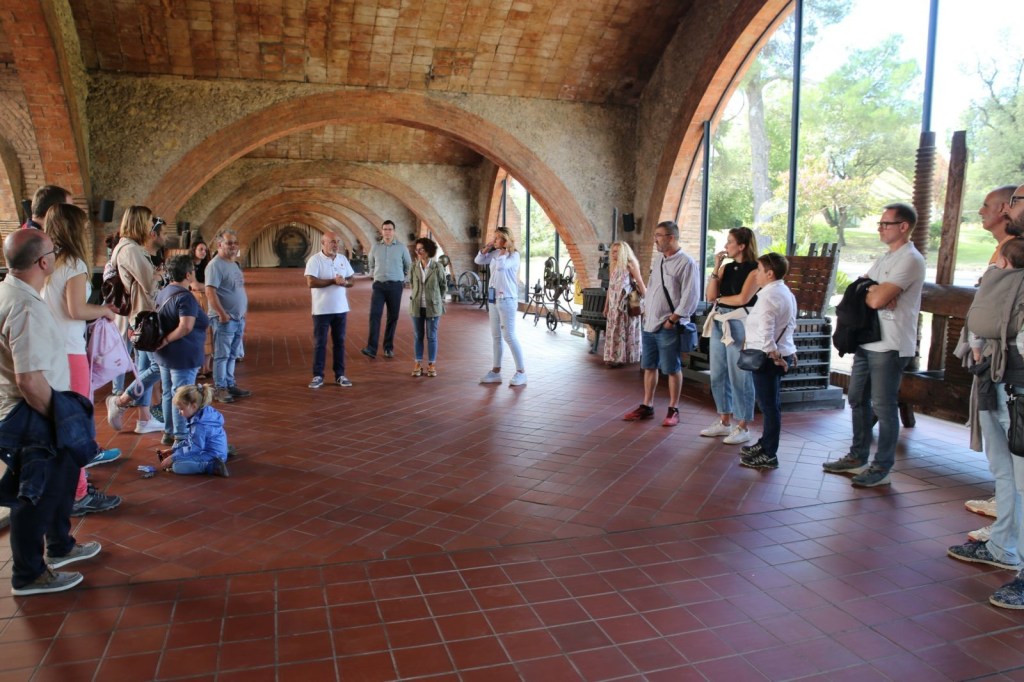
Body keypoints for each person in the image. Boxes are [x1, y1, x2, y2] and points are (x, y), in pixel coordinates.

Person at [0, 229, 102, 595]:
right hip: (31, 410)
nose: (56, 255)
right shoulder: (25, 307)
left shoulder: (13, 292)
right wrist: (59, 419)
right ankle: (28, 574)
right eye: (53, 251)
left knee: (62, 477)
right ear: (44, 262)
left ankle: (60, 545)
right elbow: (29, 379)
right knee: (36, 494)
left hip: (36, 404)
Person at [953, 187, 1024, 609]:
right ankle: (1003, 546)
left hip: (1017, 379)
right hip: (996, 376)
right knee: (1005, 472)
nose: (1009, 208)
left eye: (1017, 201)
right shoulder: (1007, 255)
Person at [822, 202, 925, 487]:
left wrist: (873, 292)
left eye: (885, 224)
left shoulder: (910, 259)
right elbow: (858, 289)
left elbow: (876, 299)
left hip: (891, 343)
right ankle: (857, 457)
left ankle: (882, 467)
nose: (880, 228)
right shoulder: (886, 257)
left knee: (884, 405)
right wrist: (871, 290)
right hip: (867, 339)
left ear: (903, 226)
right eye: (880, 223)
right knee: (856, 398)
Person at [41, 204, 123, 517]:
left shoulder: (46, 262)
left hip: (47, 351)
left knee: (55, 423)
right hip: (69, 352)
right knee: (76, 424)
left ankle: (60, 487)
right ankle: (77, 494)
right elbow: (76, 310)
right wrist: (104, 311)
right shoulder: (73, 263)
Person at [962, 185, 1019, 533]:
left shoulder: (1015, 252)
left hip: (1011, 367)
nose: (982, 211)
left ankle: (1008, 538)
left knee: (1015, 458)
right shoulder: (1004, 250)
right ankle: (1004, 534)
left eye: (1016, 202)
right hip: (991, 363)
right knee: (1001, 458)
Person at [622, 220, 699, 427]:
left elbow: (690, 296)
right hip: (650, 323)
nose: (655, 239)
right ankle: (647, 405)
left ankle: (674, 409)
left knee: (672, 368)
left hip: (668, 325)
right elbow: (654, 288)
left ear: (671, 238)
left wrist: (672, 320)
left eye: (658, 235)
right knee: (649, 366)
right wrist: (646, 310)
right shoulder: (659, 260)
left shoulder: (687, 263)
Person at [105, 206, 166, 434]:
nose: (151, 226)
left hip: (141, 313)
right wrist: (161, 276)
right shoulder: (130, 249)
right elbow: (149, 283)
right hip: (144, 314)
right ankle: (120, 401)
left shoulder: (129, 247)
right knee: (159, 366)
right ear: (140, 222)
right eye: (149, 221)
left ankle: (144, 419)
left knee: (145, 367)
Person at [701, 227, 760, 445]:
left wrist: (720, 300)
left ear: (742, 246)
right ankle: (724, 420)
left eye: (730, 242)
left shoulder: (755, 270)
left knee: (740, 374)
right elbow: (710, 295)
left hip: (739, 322)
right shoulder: (726, 268)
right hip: (719, 321)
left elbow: (743, 298)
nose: (726, 246)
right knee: (717, 372)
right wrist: (716, 266)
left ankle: (743, 425)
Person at [737, 253, 797, 470]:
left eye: (759, 270)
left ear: (770, 273)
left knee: (769, 407)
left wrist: (775, 355)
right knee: (771, 404)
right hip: (778, 355)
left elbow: (767, 331)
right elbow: (790, 324)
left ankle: (769, 454)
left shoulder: (769, 296)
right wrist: (789, 350)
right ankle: (765, 444)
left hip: (768, 359)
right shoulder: (784, 291)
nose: (756, 274)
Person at [153, 255, 209, 446]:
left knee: (169, 393)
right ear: (188, 274)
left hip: (166, 355)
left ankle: (169, 432)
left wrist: (164, 342)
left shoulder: (164, 291)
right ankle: (181, 437)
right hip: (182, 355)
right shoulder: (185, 296)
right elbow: (185, 326)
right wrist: (167, 340)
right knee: (182, 396)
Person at [475, 227, 528, 387]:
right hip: (493, 299)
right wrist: (487, 248)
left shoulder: (514, 255)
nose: (494, 240)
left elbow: (501, 267)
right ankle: (496, 372)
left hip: (507, 299)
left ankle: (521, 372)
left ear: (505, 240)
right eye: (494, 237)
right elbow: (478, 260)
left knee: (509, 336)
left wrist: (504, 253)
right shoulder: (495, 253)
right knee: (496, 336)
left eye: (497, 238)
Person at [205, 229, 251, 403]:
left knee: (232, 355)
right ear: (219, 245)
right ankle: (220, 388)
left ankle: (230, 384)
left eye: (235, 243)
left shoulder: (233, 264)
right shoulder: (215, 265)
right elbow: (210, 291)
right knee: (222, 355)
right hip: (224, 319)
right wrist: (222, 314)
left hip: (238, 318)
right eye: (229, 243)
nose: (233, 246)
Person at [304, 231, 355, 388]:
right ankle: (318, 376)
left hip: (341, 309)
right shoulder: (315, 260)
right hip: (321, 310)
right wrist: (333, 281)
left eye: (337, 242)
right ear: (323, 243)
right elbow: (311, 282)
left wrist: (345, 282)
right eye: (332, 241)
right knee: (320, 343)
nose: (335, 245)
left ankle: (340, 375)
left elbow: (351, 280)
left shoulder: (342, 259)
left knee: (339, 343)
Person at [361, 220, 411, 359]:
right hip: (379, 286)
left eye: (390, 229)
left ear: (394, 231)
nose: (387, 232)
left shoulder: (401, 248)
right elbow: (371, 263)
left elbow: (408, 265)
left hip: (395, 286)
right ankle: (371, 348)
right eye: (385, 229)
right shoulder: (375, 247)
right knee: (374, 315)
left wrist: (402, 279)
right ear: (382, 231)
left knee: (392, 317)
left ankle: (388, 348)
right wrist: (374, 274)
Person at [158, 384, 229, 477]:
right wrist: (174, 449)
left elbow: (195, 448)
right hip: (215, 451)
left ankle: (212, 467)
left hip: (212, 456)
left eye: (181, 409)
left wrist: (173, 457)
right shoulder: (204, 413)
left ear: (194, 406)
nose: (179, 413)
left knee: (177, 466)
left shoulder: (199, 425)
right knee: (179, 457)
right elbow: (191, 440)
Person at [602, 241, 646, 367]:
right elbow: (610, 288)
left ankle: (621, 357)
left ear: (623, 252)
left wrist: (647, 301)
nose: (613, 254)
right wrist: (606, 306)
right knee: (613, 330)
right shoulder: (614, 266)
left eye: (616, 251)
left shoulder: (630, 264)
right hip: (613, 305)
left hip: (625, 304)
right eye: (612, 251)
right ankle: (613, 356)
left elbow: (640, 282)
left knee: (623, 331)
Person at [409, 237, 447, 377]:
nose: (418, 252)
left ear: (429, 251)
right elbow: (412, 284)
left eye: (421, 249)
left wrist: (437, 299)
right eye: (417, 249)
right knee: (418, 336)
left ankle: (431, 364)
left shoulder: (438, 267)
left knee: (431, 336)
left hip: (433, 307)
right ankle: (418, 363)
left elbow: (443, 286)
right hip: (416, 306)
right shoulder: (413, 267)